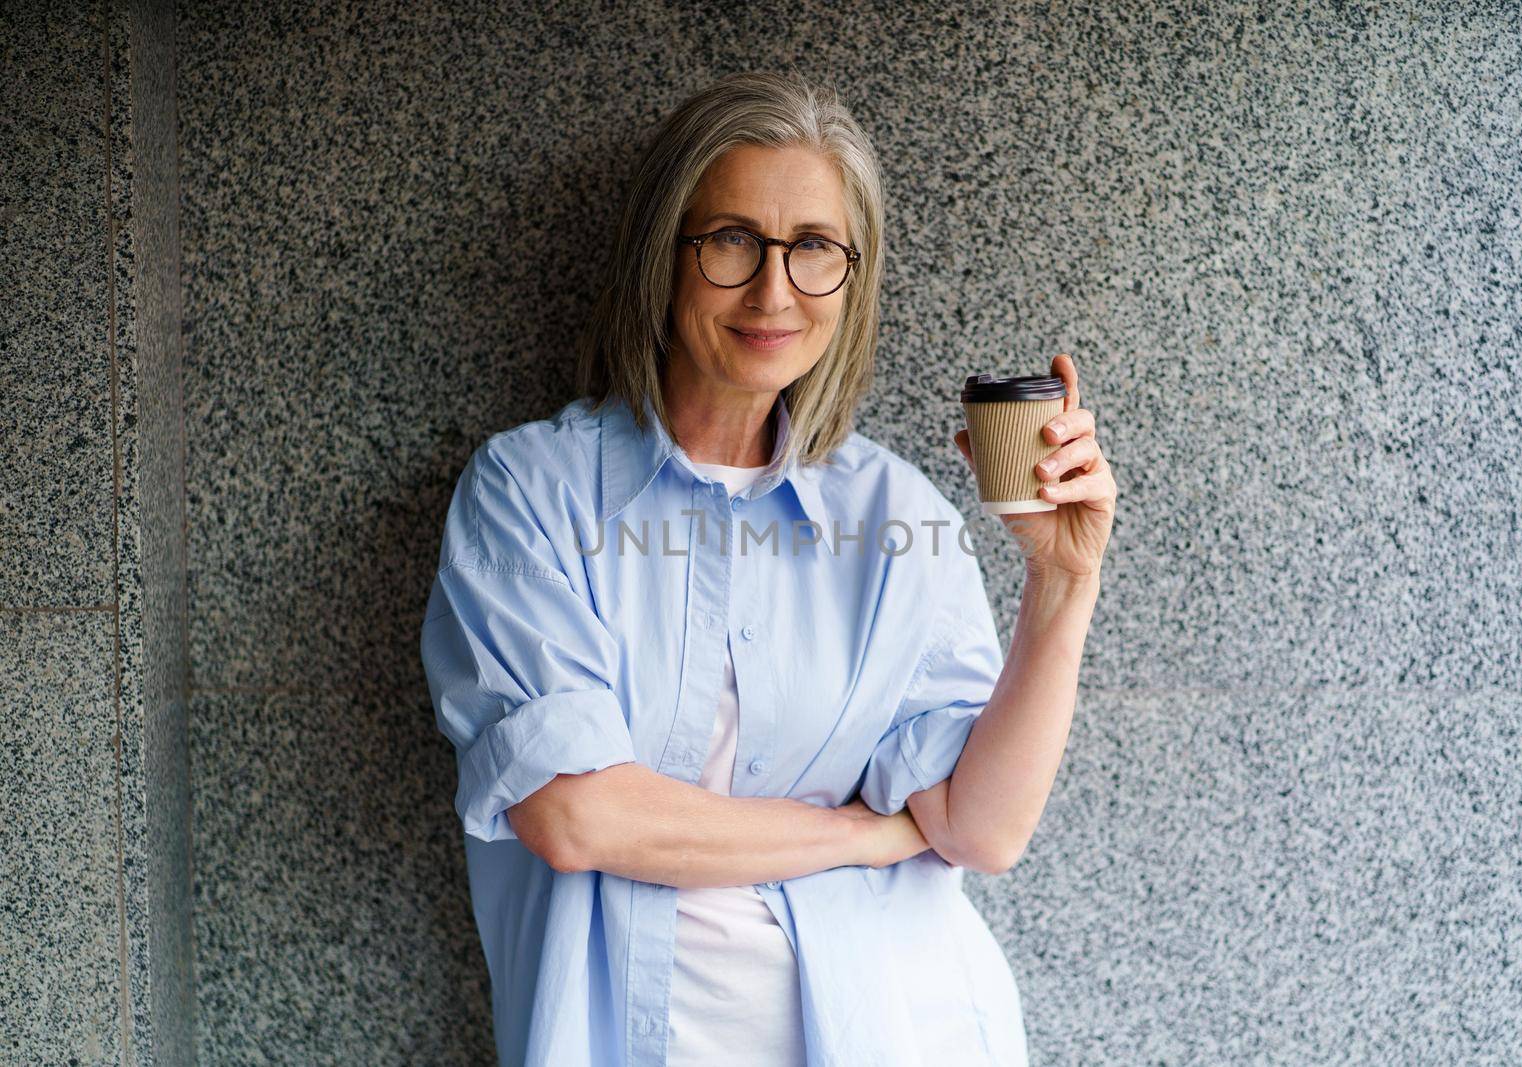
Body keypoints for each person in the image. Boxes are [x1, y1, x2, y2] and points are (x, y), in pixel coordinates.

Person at [420, 69, 1116, 1067]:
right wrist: (861, 834)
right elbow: (576, 814)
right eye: (733, 241)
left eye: (814, 249)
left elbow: (980, 827)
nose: (773, 290)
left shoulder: (896, 516)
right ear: (666, 254)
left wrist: (1062, 583)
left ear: (853, 275)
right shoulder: (532, 493)